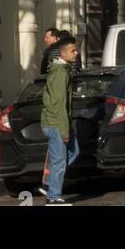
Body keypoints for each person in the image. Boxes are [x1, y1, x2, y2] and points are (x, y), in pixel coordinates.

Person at [40, 36, 80, 206]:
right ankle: (53, 196)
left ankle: (50, 184)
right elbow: (59, 103)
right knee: (59, 160)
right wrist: (64, 131)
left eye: (76, 50)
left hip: (59, 121)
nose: (76, 53)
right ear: (63, 53)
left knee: (74, 151)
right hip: (56, 122)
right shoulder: (60, 73)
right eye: (73, 51)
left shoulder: (63, 70)